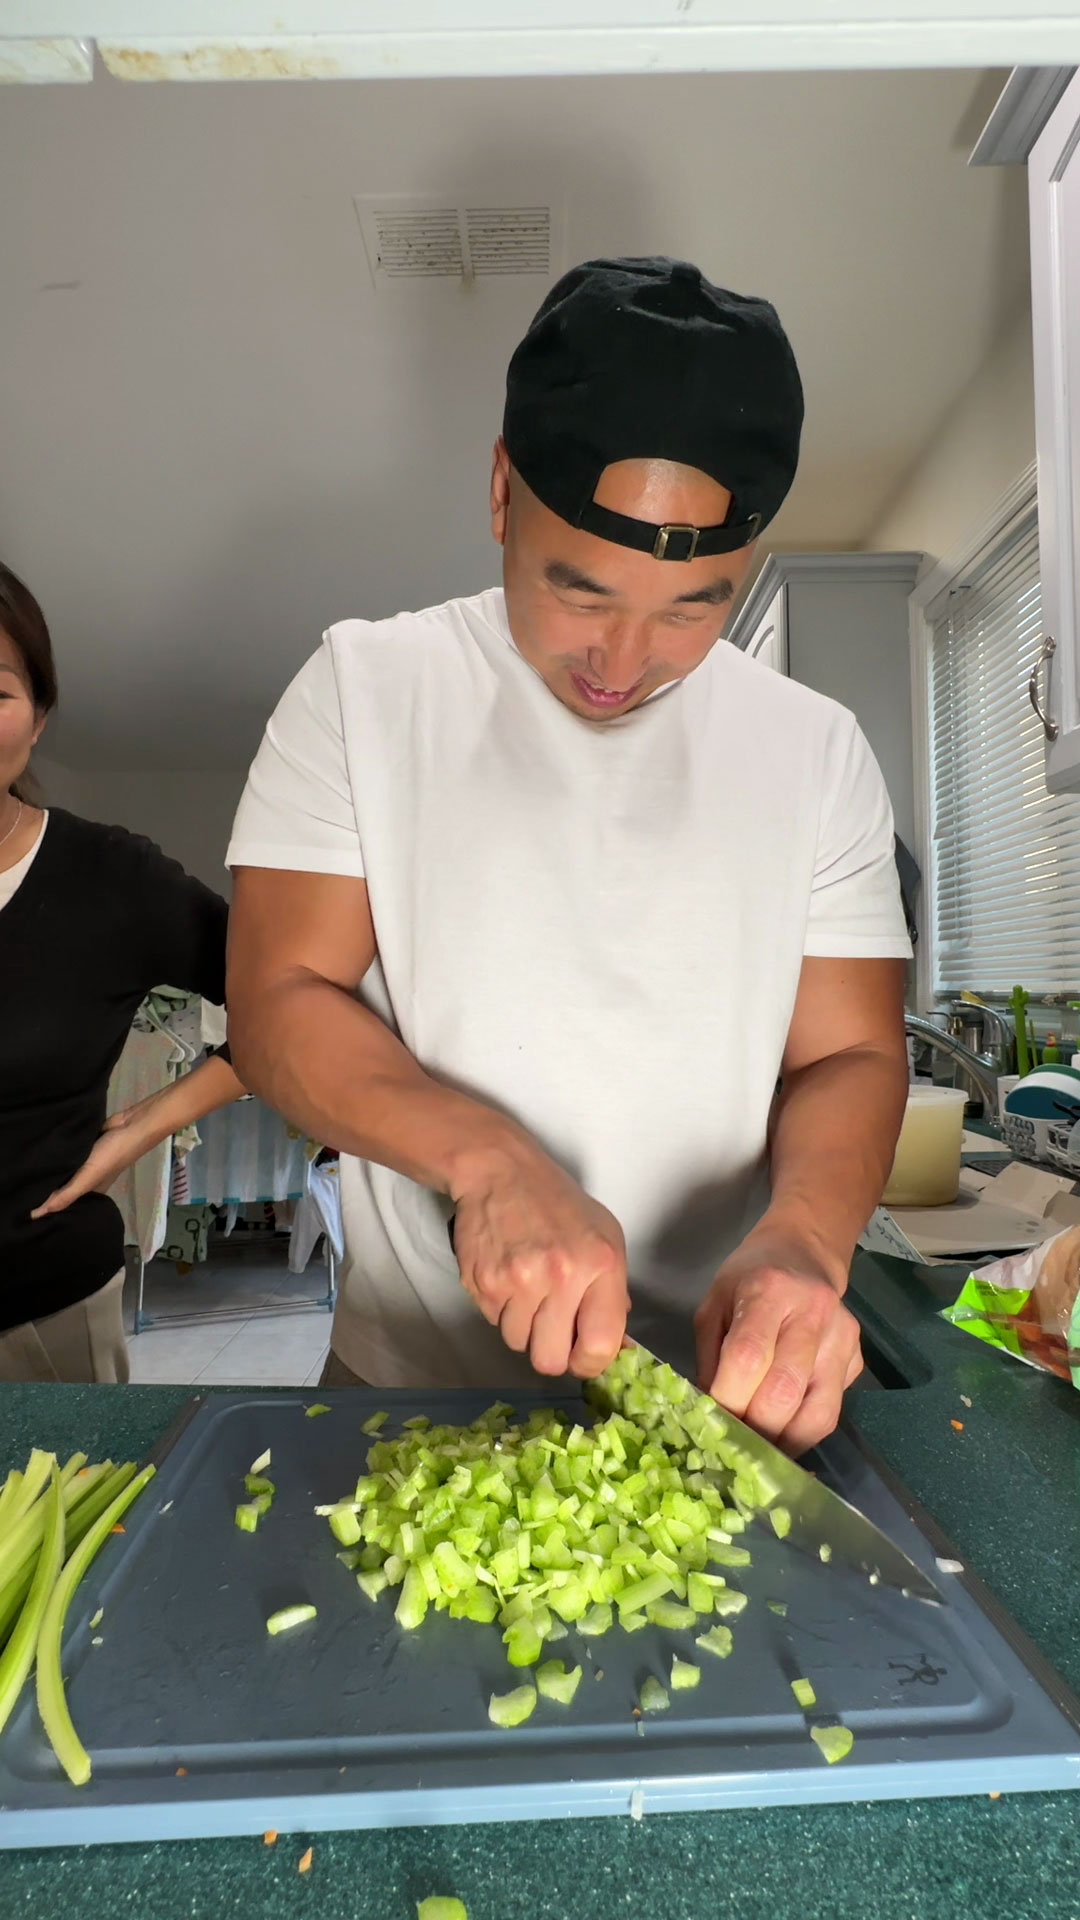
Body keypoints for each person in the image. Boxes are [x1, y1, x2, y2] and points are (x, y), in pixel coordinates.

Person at [225, 256, 911, 1453]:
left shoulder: (818, 753)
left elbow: (852, 1049)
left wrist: (804, 1238)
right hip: (407, 1383)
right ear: (502, 493)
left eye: (695, 607)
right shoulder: (364, 690)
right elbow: (278, 1000)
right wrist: (486, 1163)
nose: (623, 659)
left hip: (712, 1401)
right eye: (578, 591)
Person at [0, 564, 246, 1383]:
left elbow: (299, 1005)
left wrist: (147, 1127)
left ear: (38, 721)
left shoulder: (112, 879)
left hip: (40, 1314)